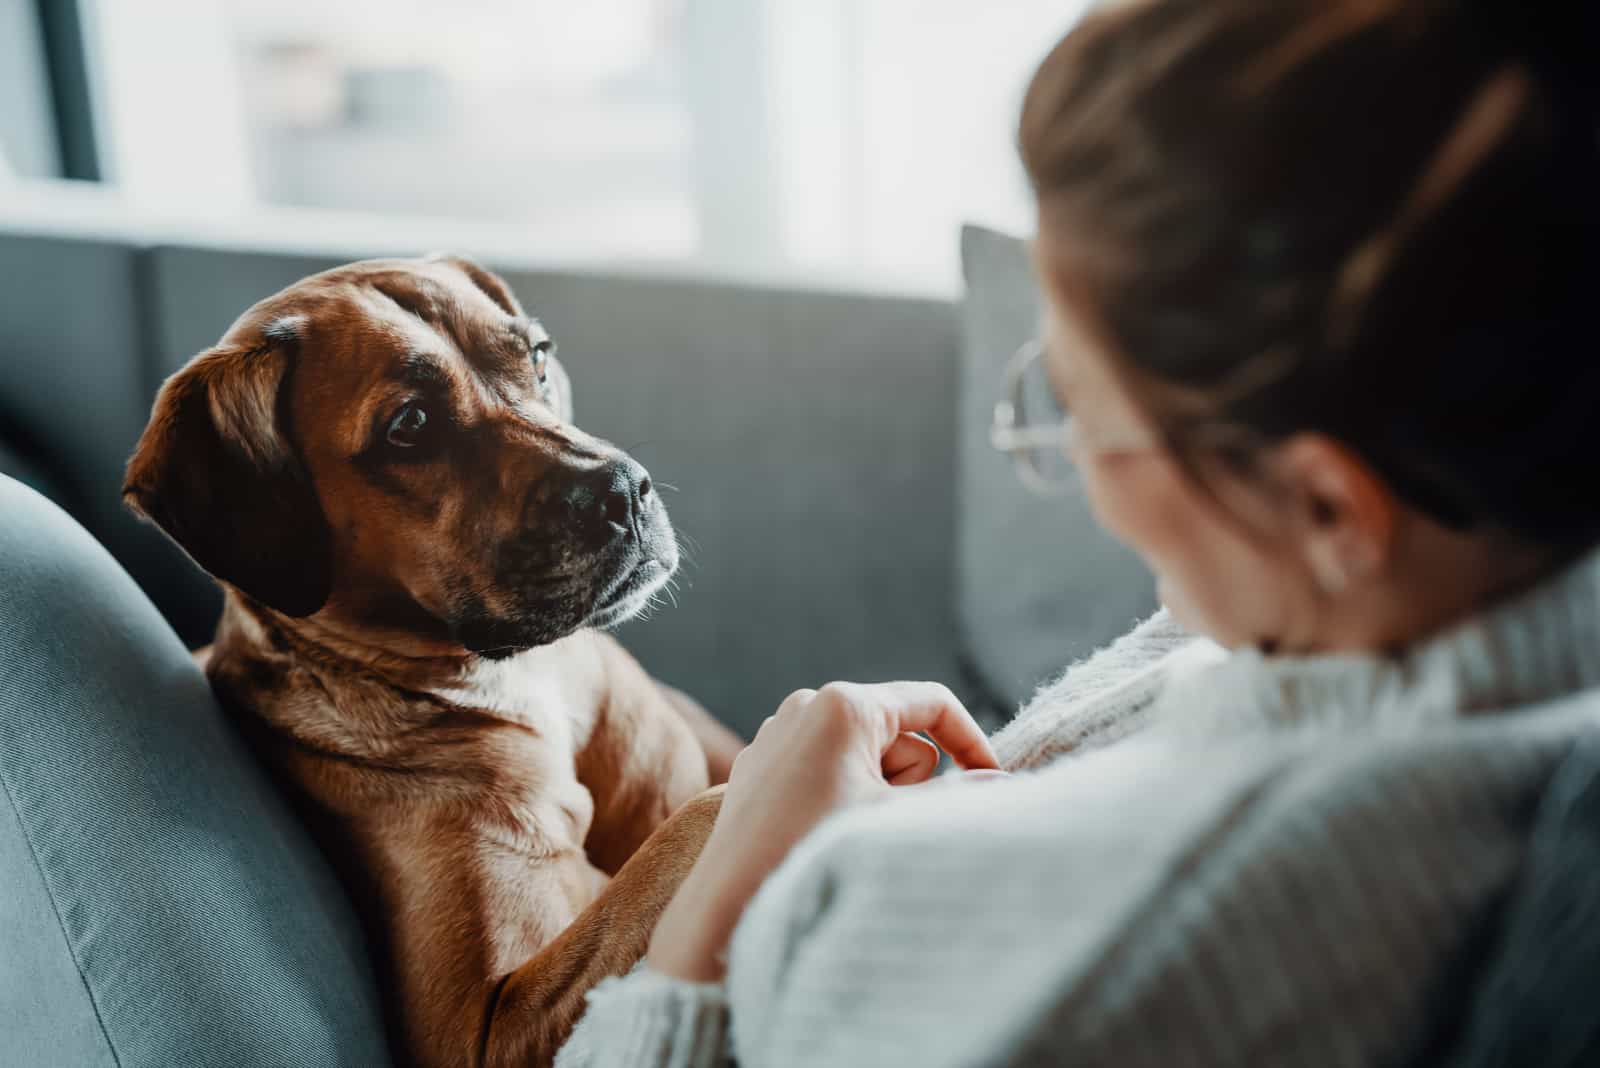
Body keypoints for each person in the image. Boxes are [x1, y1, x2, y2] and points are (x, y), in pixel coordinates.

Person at [555, 0, 1600, 1064]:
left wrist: (718, 910)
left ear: (1330, 510)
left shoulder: (1099, 964)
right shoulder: (1451, 595)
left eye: (1079, 408)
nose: (1067, 466)